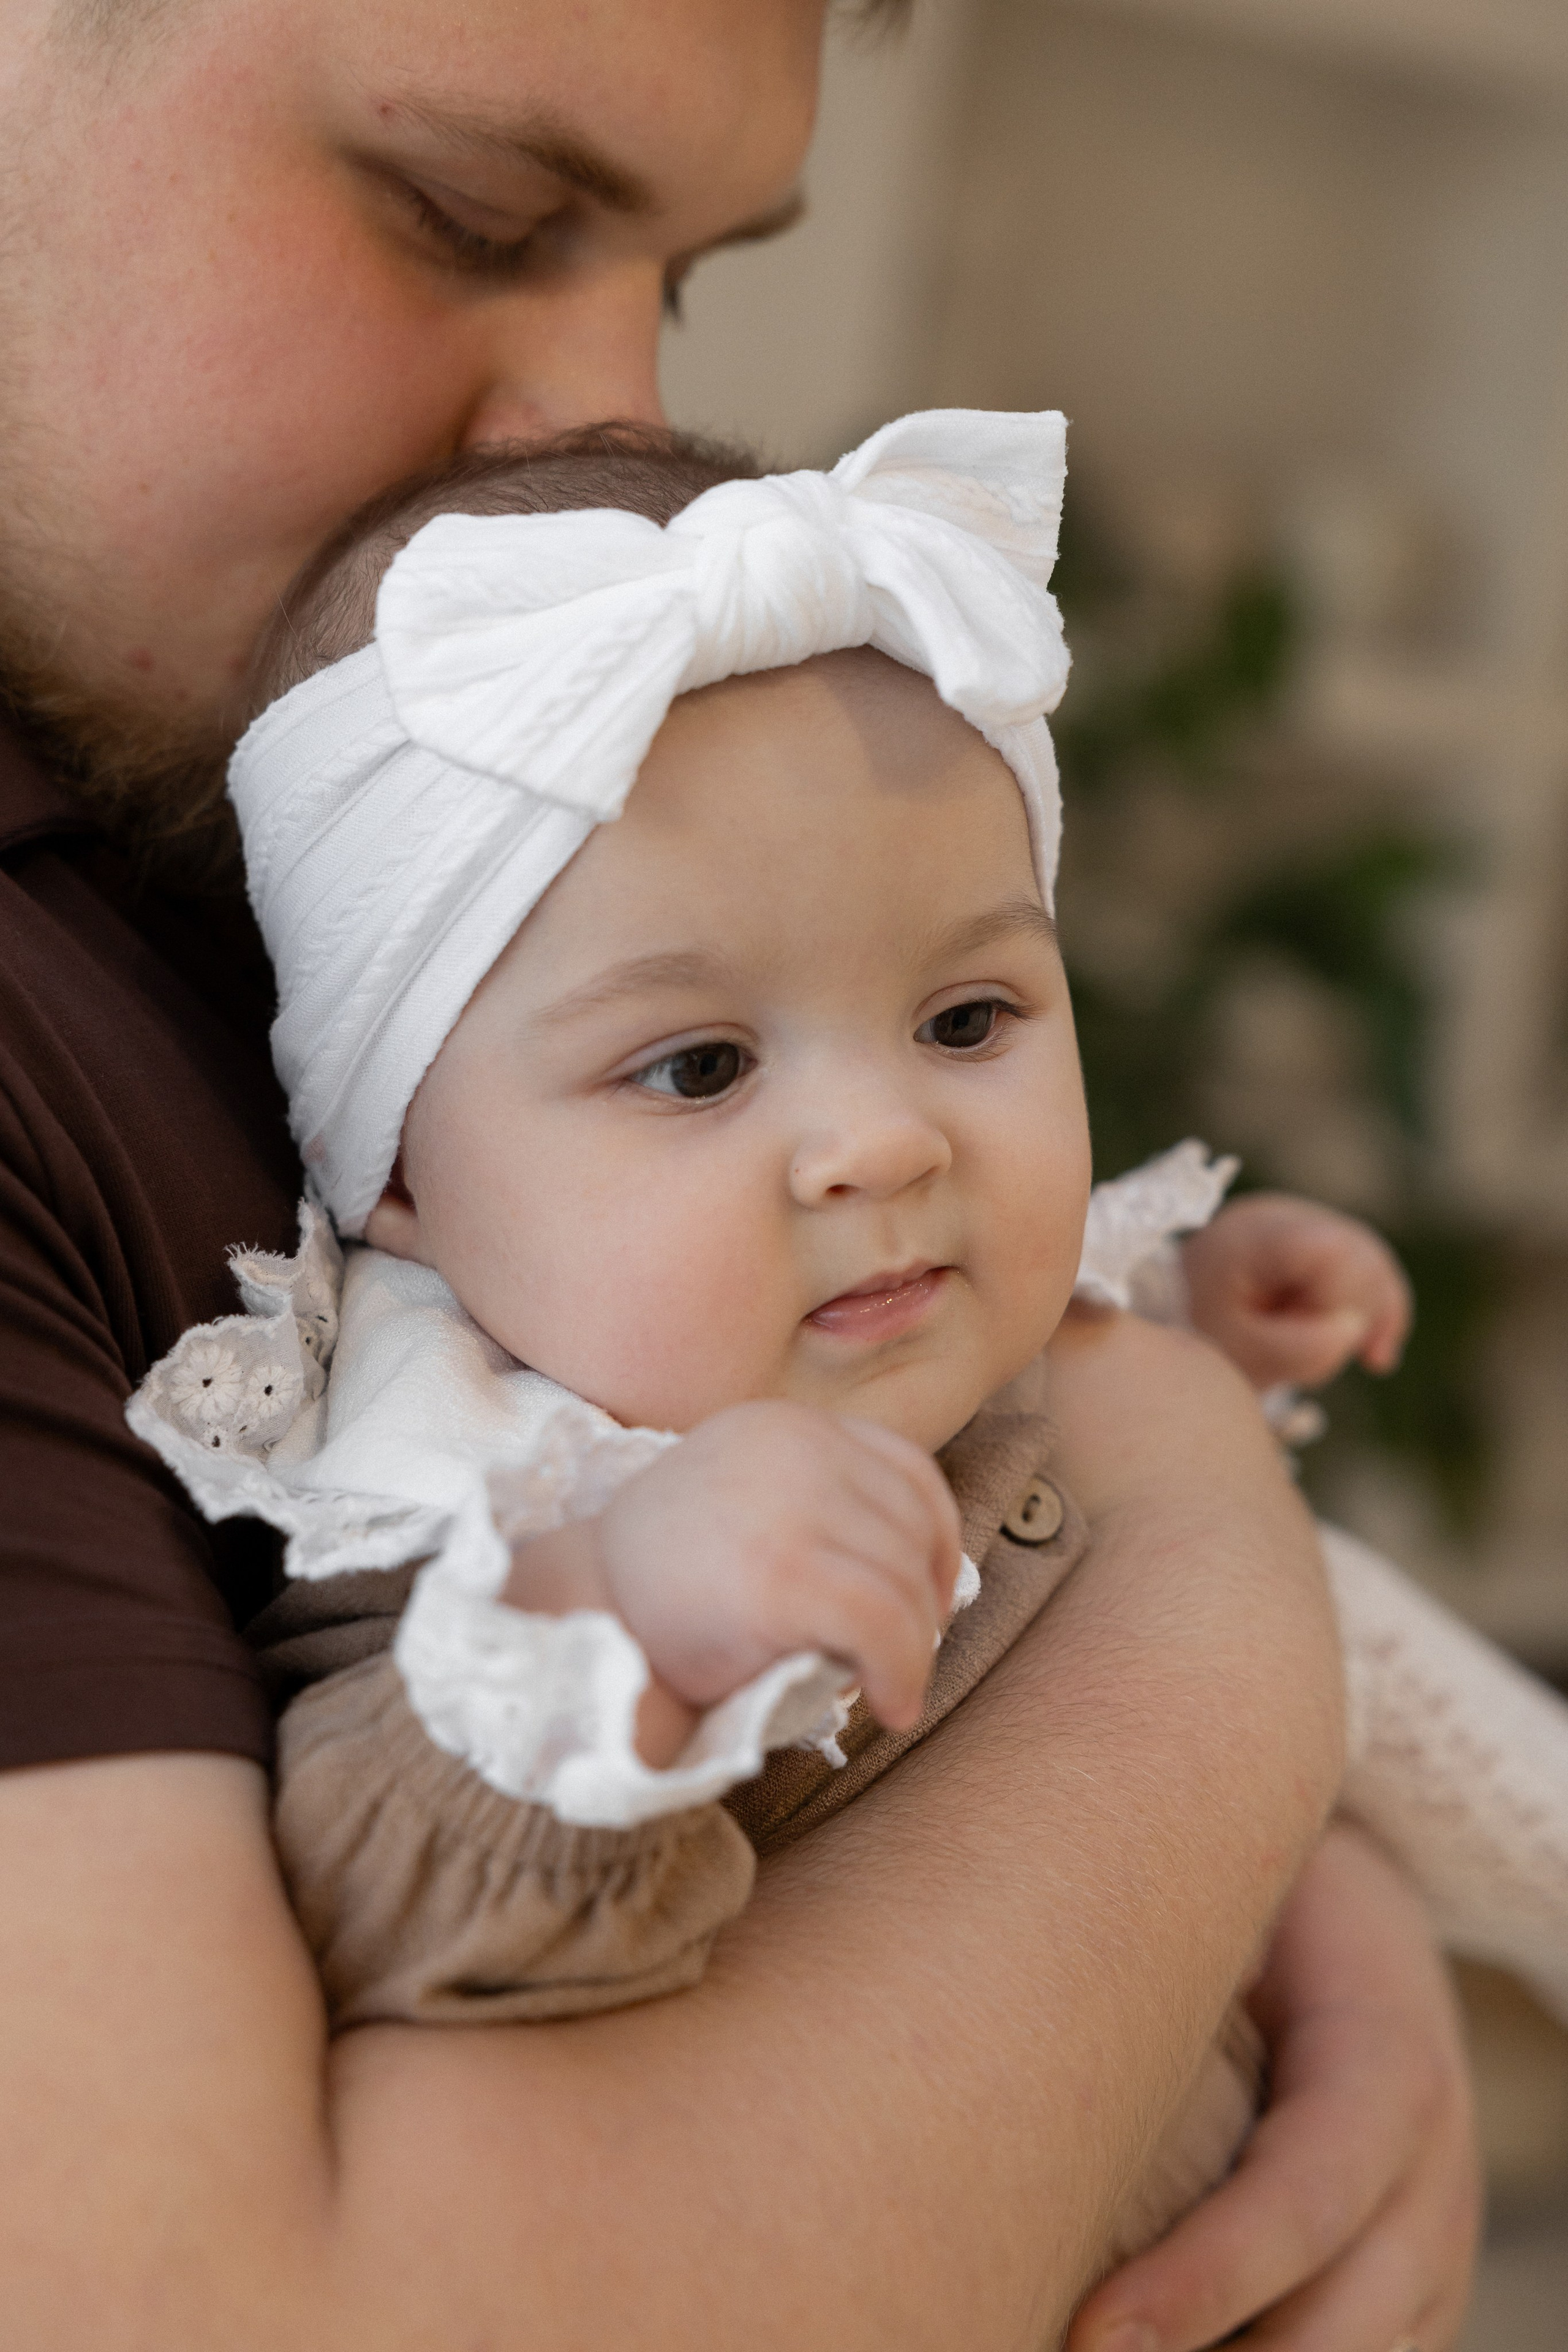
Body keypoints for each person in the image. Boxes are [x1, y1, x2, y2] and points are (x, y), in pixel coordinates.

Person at [0, 6, 1479, 2346]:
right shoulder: (467, 1471)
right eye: (470, 211)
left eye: (684, 281)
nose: (604, 411)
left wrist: (1297, 1933)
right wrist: (1206, 1574)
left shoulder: (263, 791)